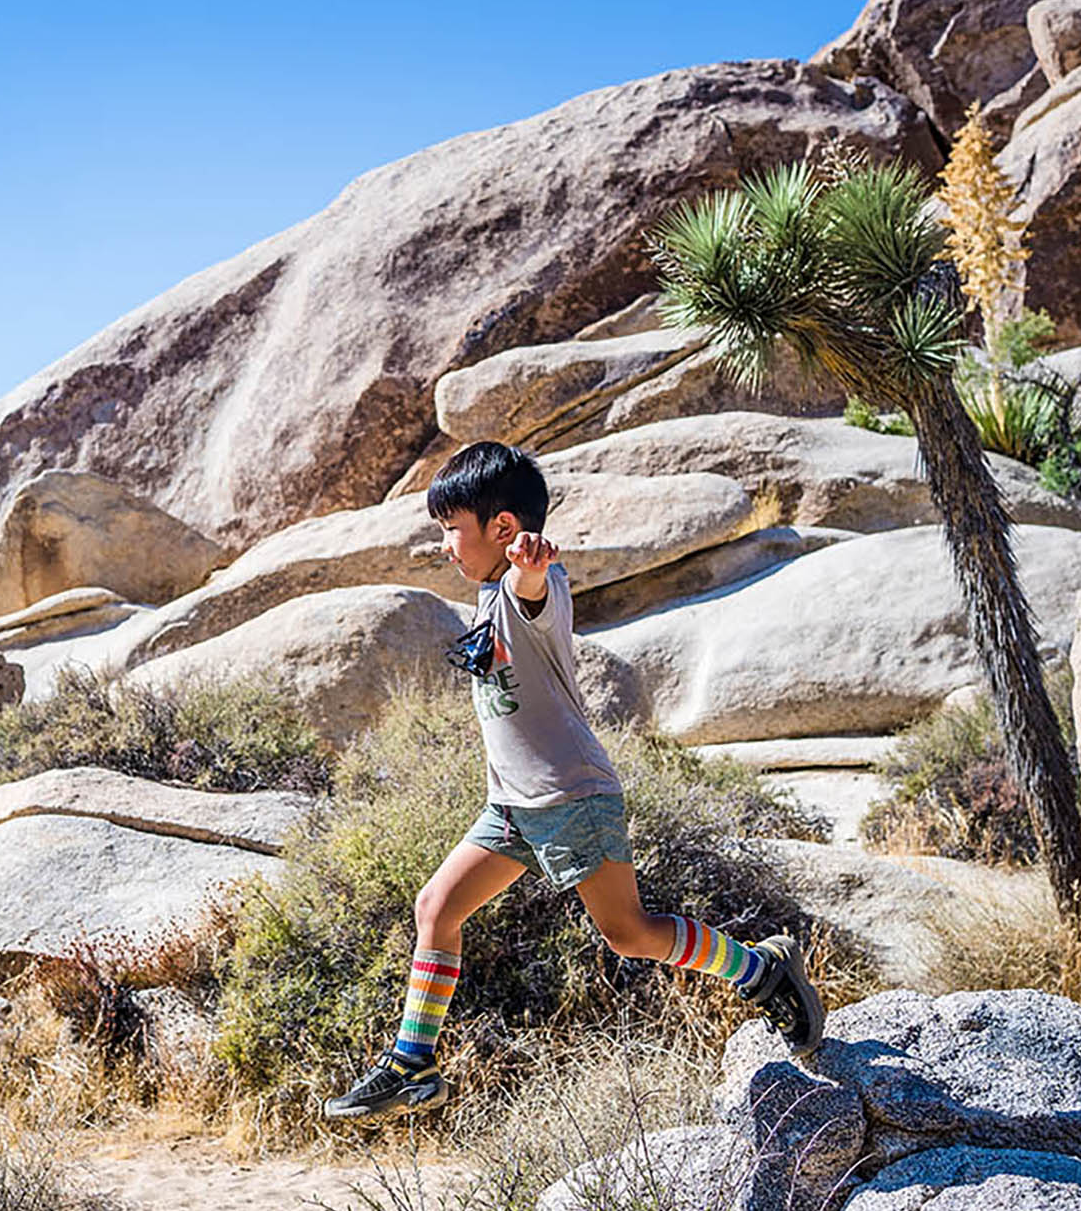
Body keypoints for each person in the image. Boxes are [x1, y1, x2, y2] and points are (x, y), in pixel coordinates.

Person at [320, 441, 825, 1121]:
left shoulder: (536, 587)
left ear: (503, 530)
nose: (444, 545)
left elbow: (533, 590)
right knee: (435, 909)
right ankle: (413, 1064)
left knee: (629, 932)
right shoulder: (485, 595)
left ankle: (762, 971)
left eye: (451, 530)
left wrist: (530, 569)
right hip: (511, 806)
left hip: (570, 797)